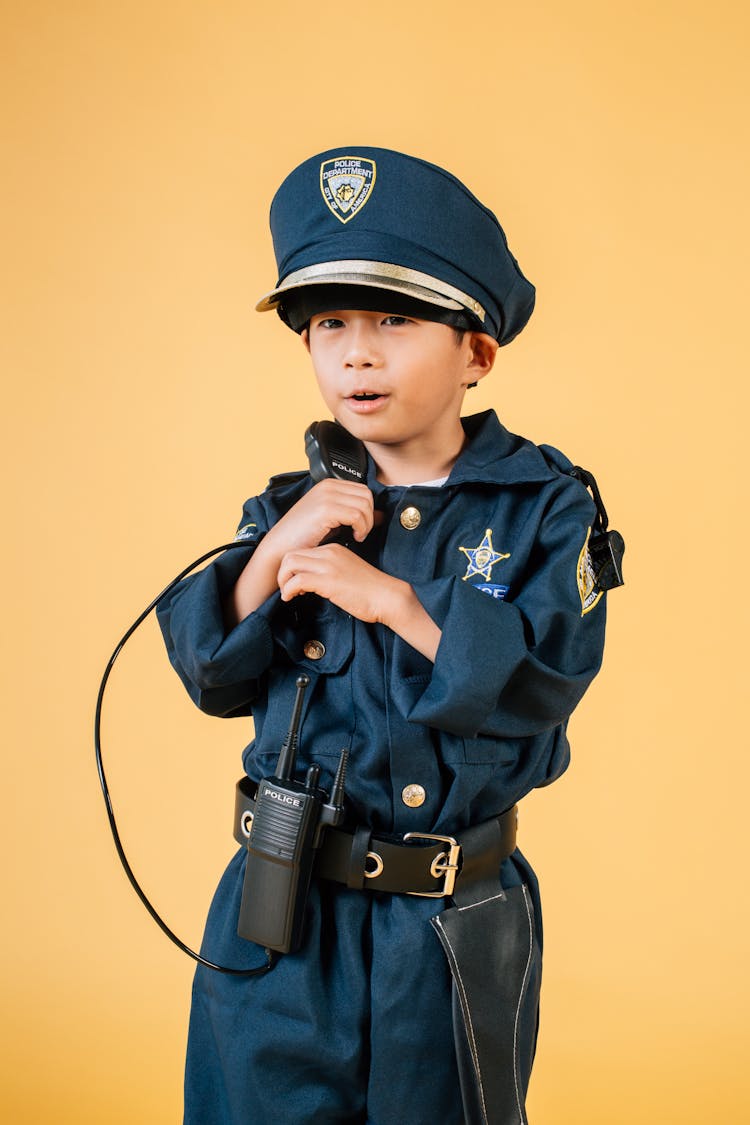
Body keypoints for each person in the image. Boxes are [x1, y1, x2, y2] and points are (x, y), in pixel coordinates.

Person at [157, 146, 610, 1125]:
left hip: (446, 924)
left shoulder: (545, 511)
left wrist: (395, 603)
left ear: (475, 353)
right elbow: (209, 669)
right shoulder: (294, 511)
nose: (358, 354)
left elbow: (547, 680)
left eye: (395, 321)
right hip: (282, 913)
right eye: (330, 327)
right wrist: (277, 546)